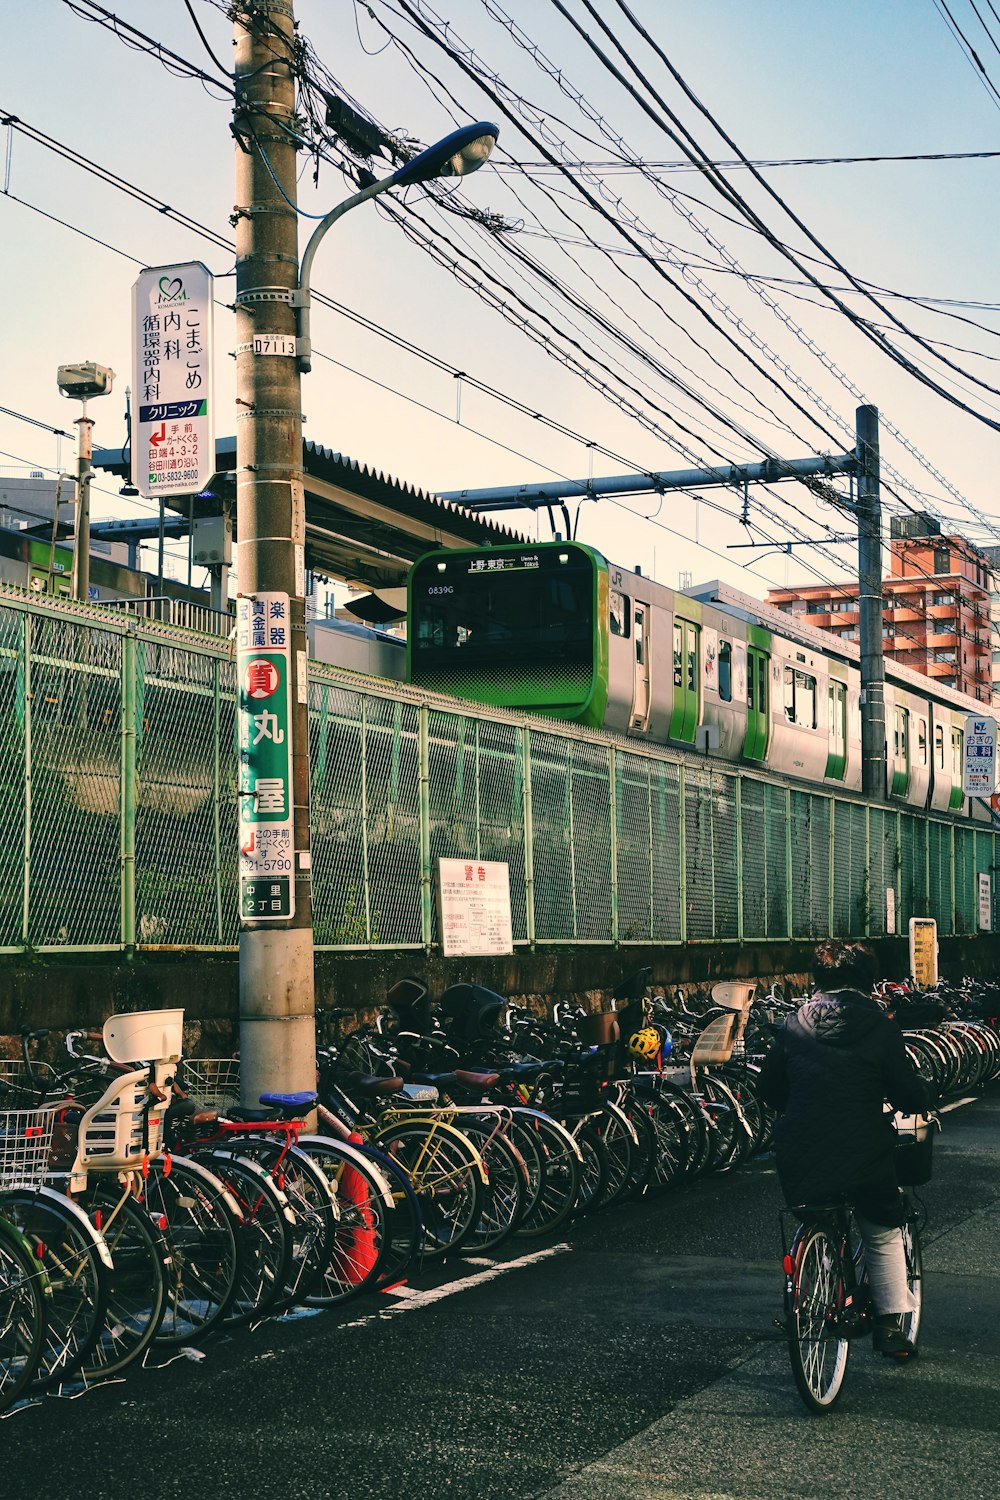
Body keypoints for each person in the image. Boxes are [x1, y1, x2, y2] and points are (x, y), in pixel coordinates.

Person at [758, 939, 934, 1358]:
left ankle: (817, 1283)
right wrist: (922, 1098)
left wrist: (803, 1109)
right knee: (881, 1226)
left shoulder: (794, 1022)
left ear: (818, 980)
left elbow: (768, 1088)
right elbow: (906, 1090)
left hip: (799, 1145)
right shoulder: (880, 1025)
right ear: (866, 980)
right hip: (864, 1146)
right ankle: (889, 1326)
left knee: (820, 1212)